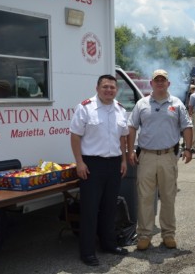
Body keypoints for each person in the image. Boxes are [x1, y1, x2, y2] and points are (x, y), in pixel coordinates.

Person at [127, 69, 193, 251]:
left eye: (163, 80)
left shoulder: (177, 104)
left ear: (168, 84)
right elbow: (131, 127)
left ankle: (168, 235)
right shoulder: (142, 104)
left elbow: (187, 126)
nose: (160, 83)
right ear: (151, 83)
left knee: (168, 197)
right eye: (157, 80)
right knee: (145, 198)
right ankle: (144, 235)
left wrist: (188, 149)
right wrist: (130, 150)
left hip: (168, 156)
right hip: (146, 156)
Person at [69, 74, 129, 266]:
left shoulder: (120, 109)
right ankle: (87, 252)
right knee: (90, 209)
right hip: (92, 165)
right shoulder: (85, 108)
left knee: (110, 208)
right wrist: (79, 162)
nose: (109, 90)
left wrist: (124, 160)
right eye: (105, 87)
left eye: (112, 87)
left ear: (116, 90)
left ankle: (108, 244)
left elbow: (122, 138)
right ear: (97, 88)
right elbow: (75, 136)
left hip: (114, 164)